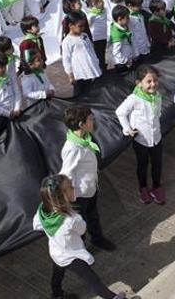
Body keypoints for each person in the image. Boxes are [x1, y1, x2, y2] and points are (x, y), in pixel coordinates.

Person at [33, 174, 126, 299]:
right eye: (70, 187)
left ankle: (57, 294)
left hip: (57, 251)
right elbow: (82, 230)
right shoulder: (71, 219)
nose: (73, 188)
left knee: (57, 273)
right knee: (93, 280)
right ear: (62, 196)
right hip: (72, 255)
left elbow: (36, 225)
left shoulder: (43, 212)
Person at [59, 105, 116, 252]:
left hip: (90, 189)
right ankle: (80, 249)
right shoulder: (72, 148)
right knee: (80, 224)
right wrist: (68, 198)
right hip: (79, 195)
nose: (93, 121)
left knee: (93, 216)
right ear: (81, 124)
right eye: (91, 119)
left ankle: (97, 239)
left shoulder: (85, 139)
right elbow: (66, 174)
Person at [116, 65, 166, 204]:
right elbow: (120, 112)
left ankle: (156, 187)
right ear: (139, 83)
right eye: (148, 81)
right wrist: (128, 129)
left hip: (156, 138)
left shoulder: (158, 96)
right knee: (142, 165)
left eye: (155, 81)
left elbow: (158, 113)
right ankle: (143, 188)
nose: (153, 84)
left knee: (157, 164)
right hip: (141, 140)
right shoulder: (134, 98)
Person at [62, 12, 102, 97]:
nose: (83, 28)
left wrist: (96, 63)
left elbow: (91, 50)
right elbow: (66, 59)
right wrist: (70, 75)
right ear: (71, 26)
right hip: (79, 73)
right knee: (79, 94)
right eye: (80, 26)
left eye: (83, 26)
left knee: (90, 92)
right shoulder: (67, 41)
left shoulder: (85, 35)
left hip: (89, 70)